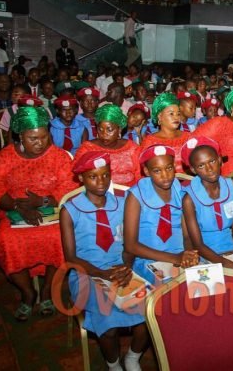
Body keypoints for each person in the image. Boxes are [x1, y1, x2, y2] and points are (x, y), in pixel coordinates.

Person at [60, 152, 148, 371]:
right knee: (107, 324)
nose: (101, 182)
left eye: (105, 175)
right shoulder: (70, 211)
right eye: (93, 176)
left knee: (150, 315)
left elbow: (131, 242)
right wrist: (103, 274)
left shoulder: (123, 203)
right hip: (87, 272)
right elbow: (71, 257)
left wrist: (127, 267)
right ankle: (113, 364)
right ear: (81, 178)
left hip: (123, 267)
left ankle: (133, 357)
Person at [0, 107, 76, 321]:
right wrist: (16, 206)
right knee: (4, 240)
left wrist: (42, 201)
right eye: (33, 138)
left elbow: (68, 188)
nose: (40, 143)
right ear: (20, 135)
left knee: (59, 237)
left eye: (44, 137)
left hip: (52, 211)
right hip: (14, 210)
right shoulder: (5, 157)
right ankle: (28, 293)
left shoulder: (59, 157)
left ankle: (47, 291)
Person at [123, 145, 199, 285]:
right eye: (157, 171)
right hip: (149, 260)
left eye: (169, 168)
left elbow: (186, 235)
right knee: (173, 290)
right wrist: (175, 258)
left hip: (179, 256)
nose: (165, 175)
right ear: (146, 171)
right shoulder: (136, 195)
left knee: (208, 282)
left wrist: (188, 256)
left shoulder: (179, 190)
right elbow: (130, 245)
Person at [180, 136, 233, 272]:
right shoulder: (189, 199)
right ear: (193, 169)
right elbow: (197, 244)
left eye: (212, 161)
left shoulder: (231, 188)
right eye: (201, 165)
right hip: (204, 252)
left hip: (231, 245)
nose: (209, 169)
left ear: (220, 160)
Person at [75, 104, 141, 188]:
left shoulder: (132, 148)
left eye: (109, 130)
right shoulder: (87, 148)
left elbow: (140, 177)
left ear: (119, 129)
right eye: (100, 129)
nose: (104, 134)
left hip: (129, 194)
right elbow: (77, 178)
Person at [138, 93, 190, 173]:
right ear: (159, 116)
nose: (176, 117)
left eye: (178, 114)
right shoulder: (150, 142)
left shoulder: (188, 137)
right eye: (171, 114)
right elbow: (144, 169)